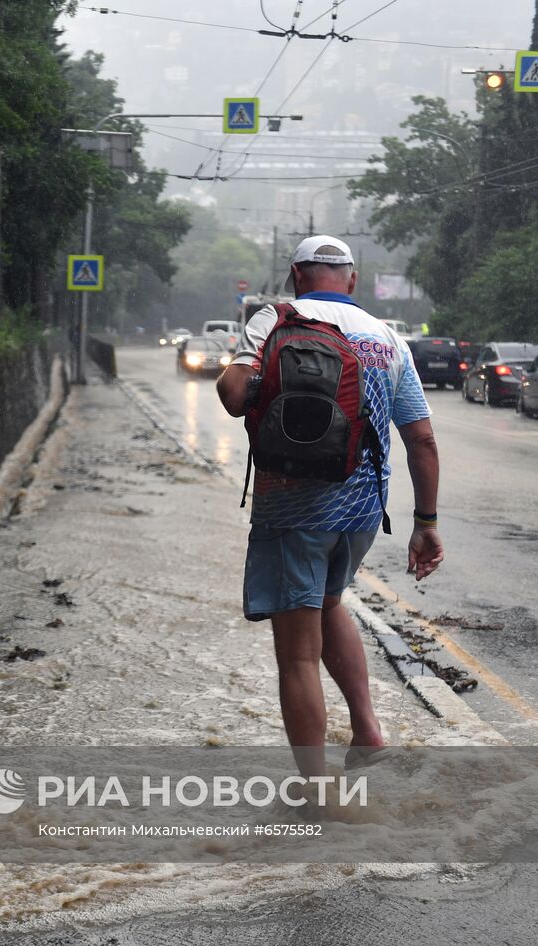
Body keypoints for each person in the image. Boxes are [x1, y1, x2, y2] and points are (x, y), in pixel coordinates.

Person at [215, 236, 443, 778]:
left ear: (297, 274)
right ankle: (367, 730)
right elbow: (423, 440)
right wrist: (426, 523)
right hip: (362, 512)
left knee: (296, 654)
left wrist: (244, 365)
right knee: (331, 601)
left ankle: (318, 792)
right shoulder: (388, 337)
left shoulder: (276, 317)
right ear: (353, 280)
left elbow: (231, 396)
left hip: (292, 508)